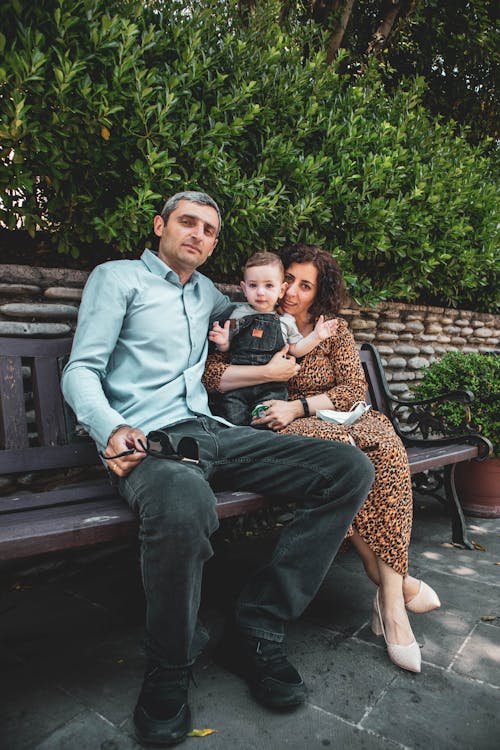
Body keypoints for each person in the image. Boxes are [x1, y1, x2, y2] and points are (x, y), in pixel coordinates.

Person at [61, 194, 375, 747]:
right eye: (187, 222)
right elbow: (81, 369)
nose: (198, 235)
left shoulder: (209, 294)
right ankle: (170, 662)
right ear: (160, 226)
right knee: (186, 504)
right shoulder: (117, 279)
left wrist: (306, 343)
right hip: (151, 442)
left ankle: (257, 622)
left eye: (209, 230)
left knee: (347, 467)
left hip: (214, 431)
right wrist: (110, 429)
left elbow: (265, 318)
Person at [204, 243, 441, 675]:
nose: (292, 290)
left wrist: (301, 405)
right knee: (344, 457)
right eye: (288, 279)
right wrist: (271, 384)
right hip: (278, 423)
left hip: (325, 414)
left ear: (319, 293)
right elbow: (214, 375)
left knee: (387, 446)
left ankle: (388, 596)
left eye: (305, 285)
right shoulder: (252, 321)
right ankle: (395, 594)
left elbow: (354, 390)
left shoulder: (333, 331)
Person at [208, 251, 338, 424]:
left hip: (271, 390)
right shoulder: (237, 315)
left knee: (265, 418)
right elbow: (227, 348)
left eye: (269, 286)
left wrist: (316, 337)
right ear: (244, 288)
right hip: (239, 386)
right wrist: (223, 342)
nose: (260, 292)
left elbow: (296, 349)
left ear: (281, 290)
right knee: (231, 416)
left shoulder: (285, 322)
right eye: (253, 285)